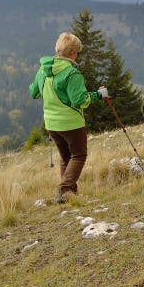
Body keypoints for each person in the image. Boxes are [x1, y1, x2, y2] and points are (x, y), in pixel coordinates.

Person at [29, 32, 108, 203]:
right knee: (79, 155)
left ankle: (69, 194)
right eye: (77, 51)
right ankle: (64, 190)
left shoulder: (43, 70)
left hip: (51, 123)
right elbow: (81, 101)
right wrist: (98, 95)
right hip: (71, 123)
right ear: (72, 52)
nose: (77, 55)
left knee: (66, 157)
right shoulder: (72, 74)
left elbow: (33, 92)